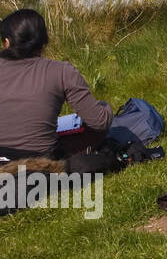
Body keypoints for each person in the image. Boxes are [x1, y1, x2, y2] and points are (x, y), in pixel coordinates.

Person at [0, 9, 113, 160]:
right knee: (93, 129)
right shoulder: (61, 71)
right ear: (43, 40)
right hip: (41, 161)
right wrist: (105, 107)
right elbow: (100, 122)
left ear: (7, 42)